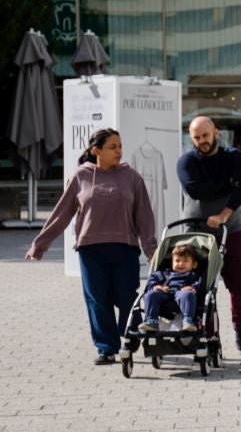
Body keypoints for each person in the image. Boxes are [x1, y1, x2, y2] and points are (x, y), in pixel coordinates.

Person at [24, 128, 157, 365]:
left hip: (125, 247)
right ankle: (106, 348)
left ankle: (129, 337)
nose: (118, 151)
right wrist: (39, 245)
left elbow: (144, 215)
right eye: (112, 147)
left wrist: (151, 248)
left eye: (120, 146)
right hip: (90, 249)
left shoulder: (131, 177)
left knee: (127, 297)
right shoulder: (80, 176)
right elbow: (61, 214)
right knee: (98, 300)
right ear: (97, 151)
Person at [177, 116, 241, 351]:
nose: (202, 141)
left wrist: (223, 215)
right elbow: (194, 189)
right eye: (197, 137)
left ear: (216, 133)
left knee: (239, 282)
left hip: (230, 229)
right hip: (195, 232)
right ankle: (206, 334)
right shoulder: (186, 161)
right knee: (199, 285)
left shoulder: (234, 157)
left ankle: (240, 326)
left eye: (206, 135)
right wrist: (226, 184)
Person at [137, 241, 203, 334]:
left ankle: (187, 320)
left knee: (187, 294)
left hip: (182, 295)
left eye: (185, 261)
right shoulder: (164, 274)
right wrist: (156, 286)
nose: (181, 264)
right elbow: (152, 280)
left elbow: (200, 284)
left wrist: (194, 288)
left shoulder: (193, 276)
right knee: (151, 294)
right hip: (164, 294)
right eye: (177, 260)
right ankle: (151, 321)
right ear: (172, 262)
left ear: (194, 264)